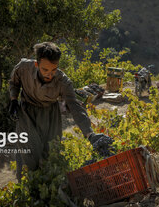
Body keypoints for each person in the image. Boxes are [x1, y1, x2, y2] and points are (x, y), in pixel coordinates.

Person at [8, 42, 112, 182]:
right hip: (27, 113)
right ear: (37, 65)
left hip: (51, 116)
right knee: (29, 158)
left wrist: (89, 134)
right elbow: (14, 83)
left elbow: (74, 106)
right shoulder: (23, 67)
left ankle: (49, 192)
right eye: (45, 70)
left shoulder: (63, 81)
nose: (50, 74)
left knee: (51, 155)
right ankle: (27, 190)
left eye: (54, 70)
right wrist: (14, 99)